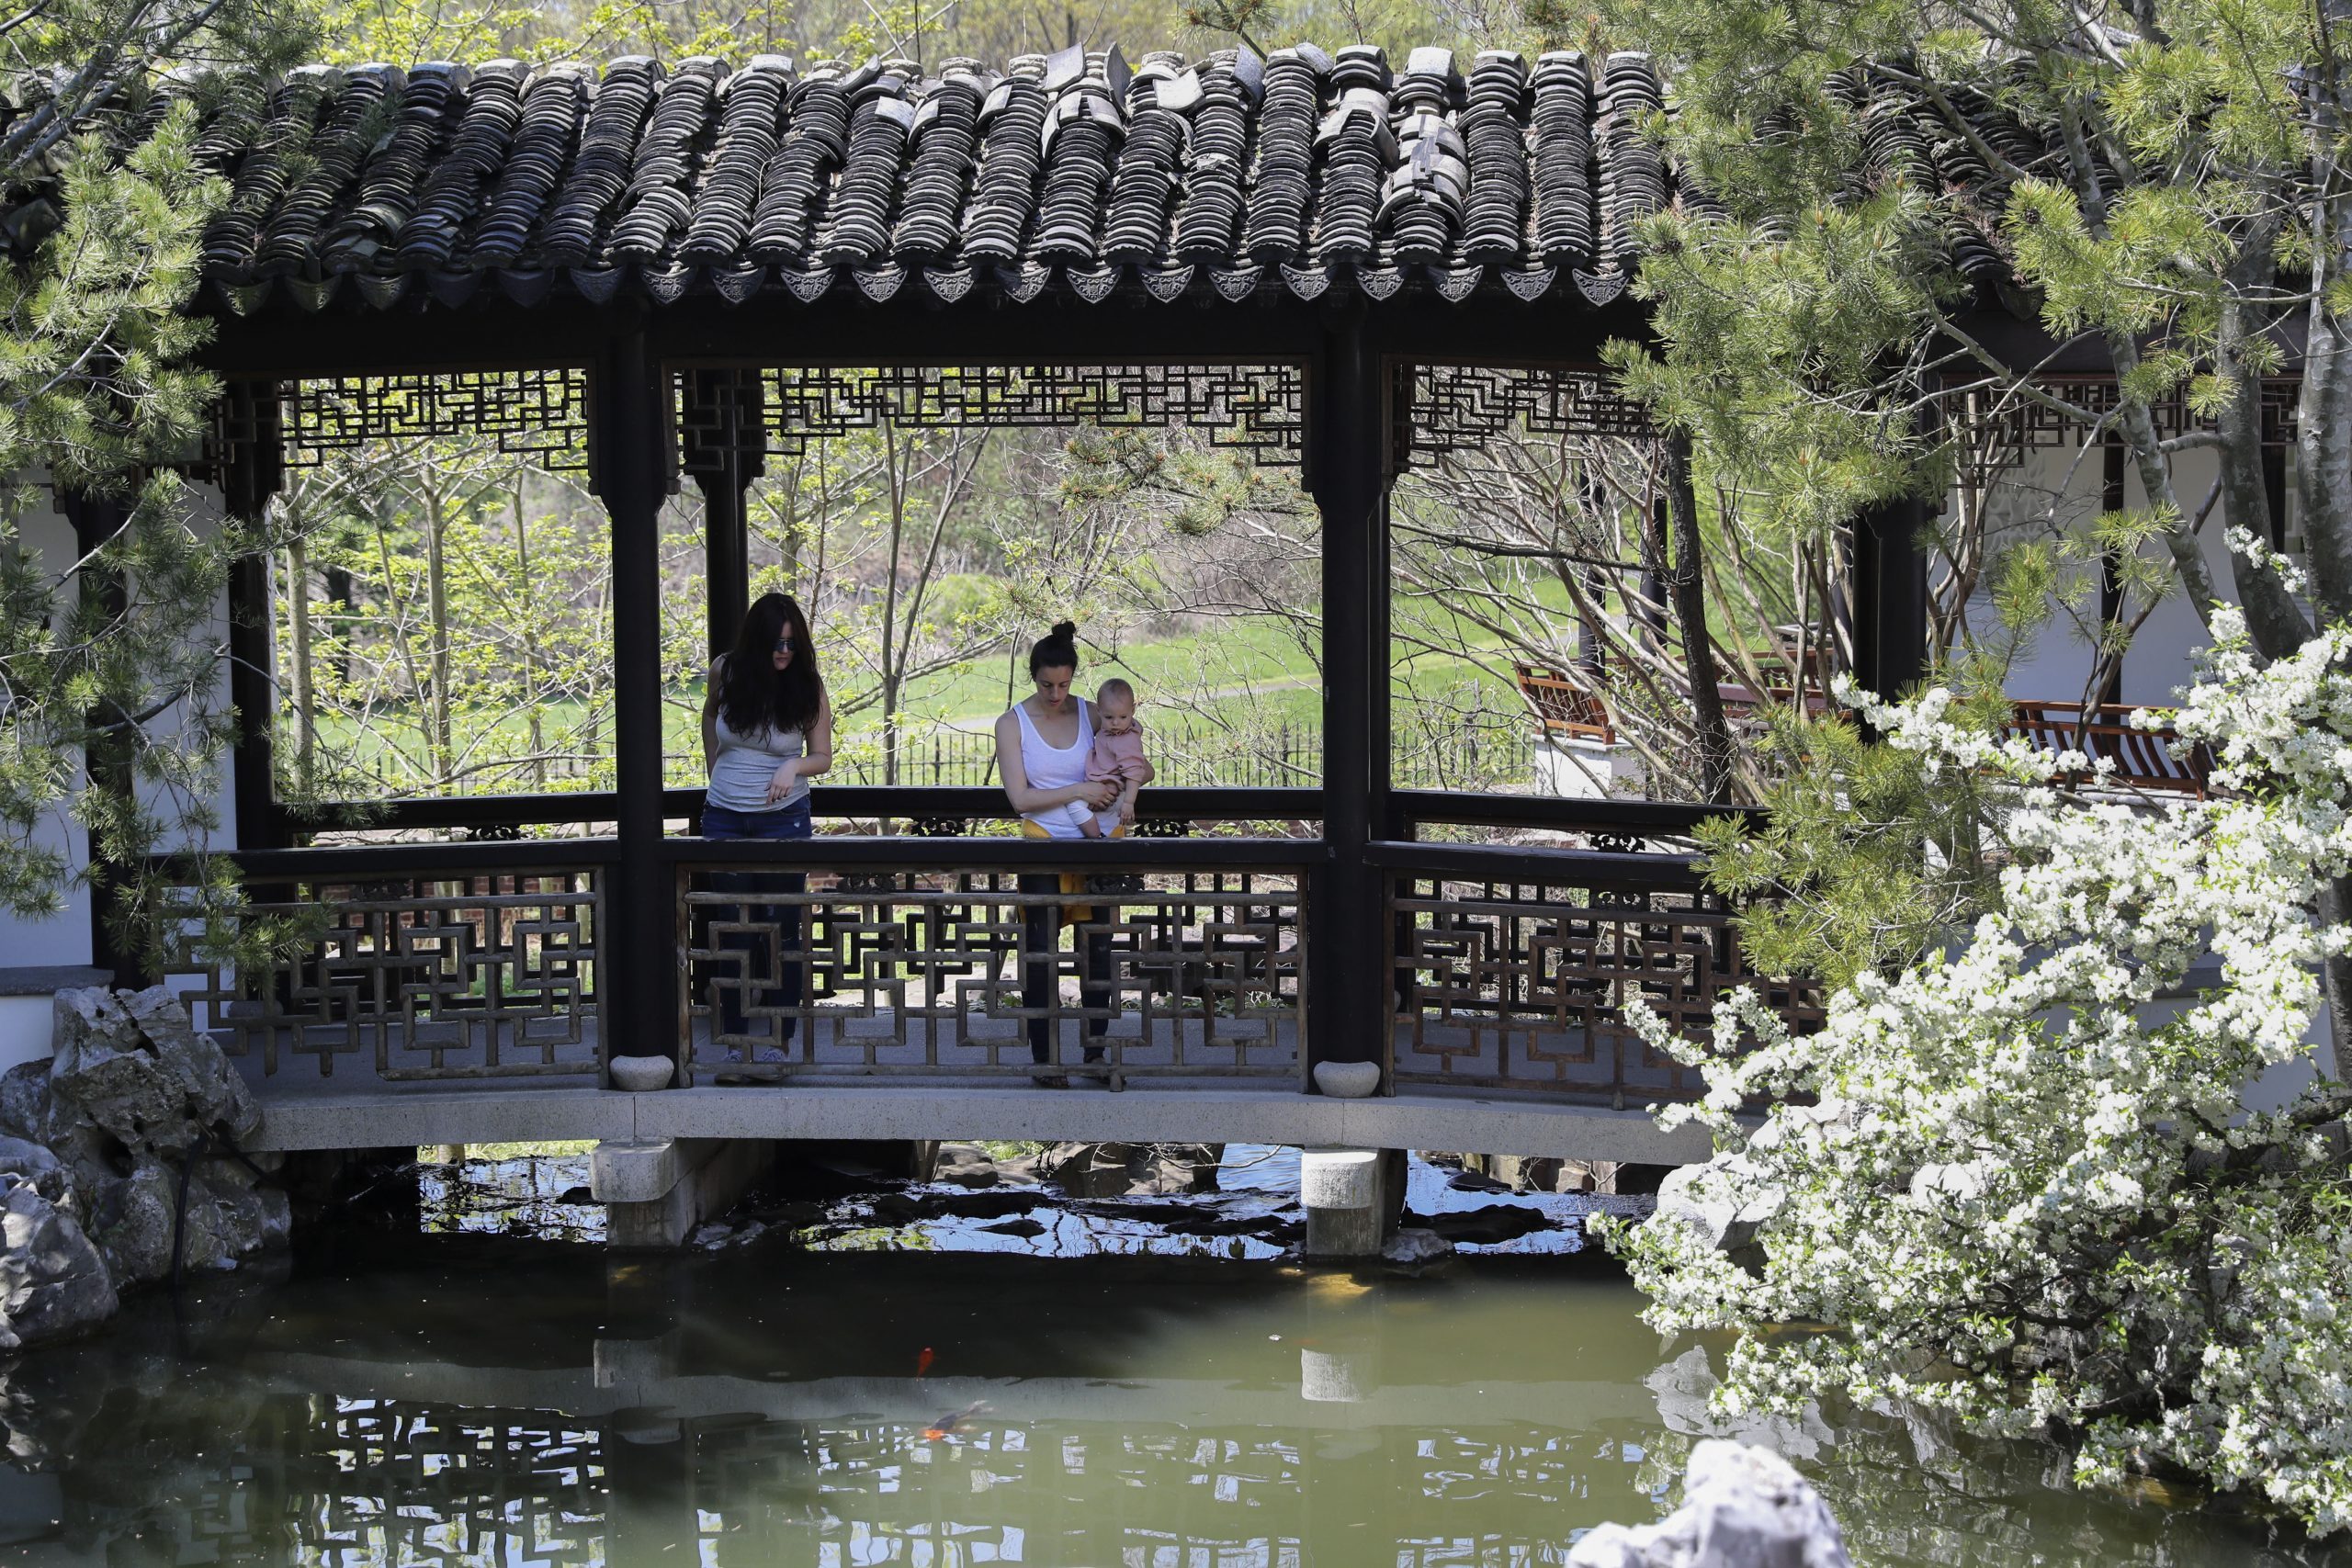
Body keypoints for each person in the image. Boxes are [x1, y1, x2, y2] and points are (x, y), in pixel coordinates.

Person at [699, 592, 833, 1053]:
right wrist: (716, 768)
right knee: (732, 928)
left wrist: (792, 766)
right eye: (777, 643)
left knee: (782, 928)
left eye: (793, 644)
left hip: (783, 819)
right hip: (724, 817)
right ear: (757, 641)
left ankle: (780, 1038)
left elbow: (822, 756)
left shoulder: (807, 685)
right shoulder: (725, 670)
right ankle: (735, 1038)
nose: (784, 652)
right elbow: (710, 715)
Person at [992, 621, 1122, 1086]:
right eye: (1047, 685)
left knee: (1098, 952)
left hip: (1096, 844)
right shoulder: (1012, 723)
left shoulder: (1092, 714)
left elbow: (1128, 745)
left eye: (1064, 684)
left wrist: (1121, 786)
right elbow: (1020, 798)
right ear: (1034, 677)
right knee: (1040, 953)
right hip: (1043, 842)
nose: (1055, 694)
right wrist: (1079, 790)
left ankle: (1095, 1054)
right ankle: (1045, 1058)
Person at [1035, 677, 1154, 838]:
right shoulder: (1109, 732)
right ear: (1098, 711)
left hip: (1112, 791)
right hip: (1100, 786)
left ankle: (1096, 839)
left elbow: (1134, 773)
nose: (1116, 723)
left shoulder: (1126, 740)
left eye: (1123, 717)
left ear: (1132, 711)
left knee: (1075, 806)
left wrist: (1128, 802)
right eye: (1109, 717)